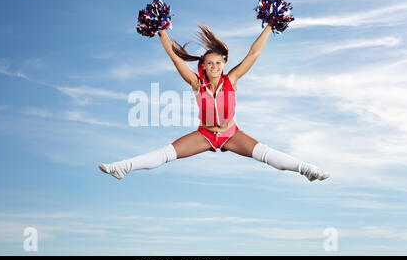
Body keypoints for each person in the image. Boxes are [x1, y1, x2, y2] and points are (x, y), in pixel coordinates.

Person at [99, 23, 330, 182]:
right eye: (209, 63)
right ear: (203, 66)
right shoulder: (196, 83)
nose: (214, 67)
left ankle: (307, 170)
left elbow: (253, 54)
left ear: (224, 63)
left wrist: (269, 25)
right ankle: (123, 167)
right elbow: (175, 58)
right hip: (205, 135)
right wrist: (160, 30)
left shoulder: (232, 79)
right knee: (166, 153)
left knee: (266, 153)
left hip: (230, 134)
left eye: (218, 63)